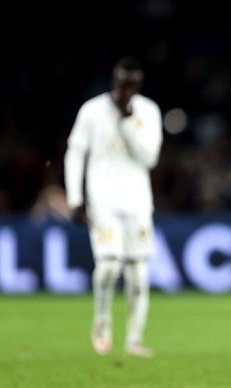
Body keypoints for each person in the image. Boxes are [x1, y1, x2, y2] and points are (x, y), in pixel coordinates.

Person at [64, 56, 163, 358]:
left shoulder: (147, 111)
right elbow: (75, 153)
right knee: (108, 266)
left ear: (138, 86)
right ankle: (102, 321)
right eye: (122, 85)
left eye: (132, 86)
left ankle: (134, 339)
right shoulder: (92, 111)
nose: (126, 92)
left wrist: (127, 122)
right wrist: (75, 199)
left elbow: (149, 159)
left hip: (137, 202)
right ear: (114, 83)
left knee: (137, 274)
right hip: (102, 200)